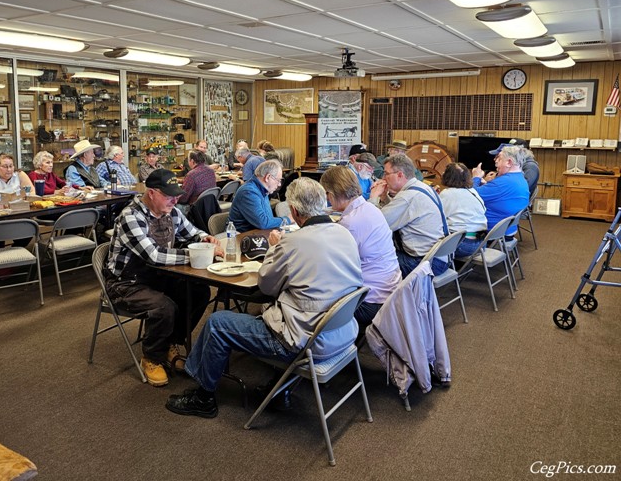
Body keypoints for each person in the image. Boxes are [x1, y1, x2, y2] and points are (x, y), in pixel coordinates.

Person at [165, 177, 363, 419]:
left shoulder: (292, 242)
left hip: (304, 343)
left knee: (218, 323)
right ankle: (280, 389)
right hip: (341, 334)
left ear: (293, 211)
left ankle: (203, 398)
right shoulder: (345, 233)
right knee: (272, 309)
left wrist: (274, 249)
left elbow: (266, 285)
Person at [106, 169, 221, 387]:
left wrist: (205, 237)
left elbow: (193, 232)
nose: (175, 200)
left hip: (158, 277)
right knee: (164, 307)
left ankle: (170, 342)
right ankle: (151, 357)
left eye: (176, 195)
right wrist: (197, 253)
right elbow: (155, 256)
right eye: (169, 196)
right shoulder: (131, 217)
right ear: (151, 193)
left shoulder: (172, 212)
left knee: (198, 292)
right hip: (125, 284)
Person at [320, 166, 401, 330]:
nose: (327, 199)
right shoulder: (370, 209)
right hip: (391, 292)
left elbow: (334, 268)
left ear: (334, 193)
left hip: (371, 302)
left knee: (313, 295)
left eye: (327, 194)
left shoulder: (350, 223)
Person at [369, 154, 448, 277]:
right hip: (440, 257)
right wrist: (384, 198)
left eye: (386, 173)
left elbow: (374, 225)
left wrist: (373, 197)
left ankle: (387, 295)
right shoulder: (423, 187)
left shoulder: (408, 197)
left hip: (425, 263)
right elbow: (399, 213)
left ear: (400, 175)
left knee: (371, 262)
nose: (383, 178)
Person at [472, 145, 530, 237]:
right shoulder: (520, 178)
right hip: (508, 229)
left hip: (491, 232)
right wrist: (486, 185)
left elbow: (471, 196)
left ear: (509, 162)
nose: (495, 161)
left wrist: (476, 177)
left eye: (499, 158)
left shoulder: (502, 183)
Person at [438, 162, 487, 258]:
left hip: (463, 245)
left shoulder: (447, 194)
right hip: (481, 243)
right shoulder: (473, 191)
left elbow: (437, 217)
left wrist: (436, 198)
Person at [229, 159, 290, 232]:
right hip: (241, 237)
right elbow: (263, 223)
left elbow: (268, 219)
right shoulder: (248, 192)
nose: (279, 184)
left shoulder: (263, 189)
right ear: (268, 177)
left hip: (258, 233)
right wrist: (288, 219)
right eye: (278, 180)